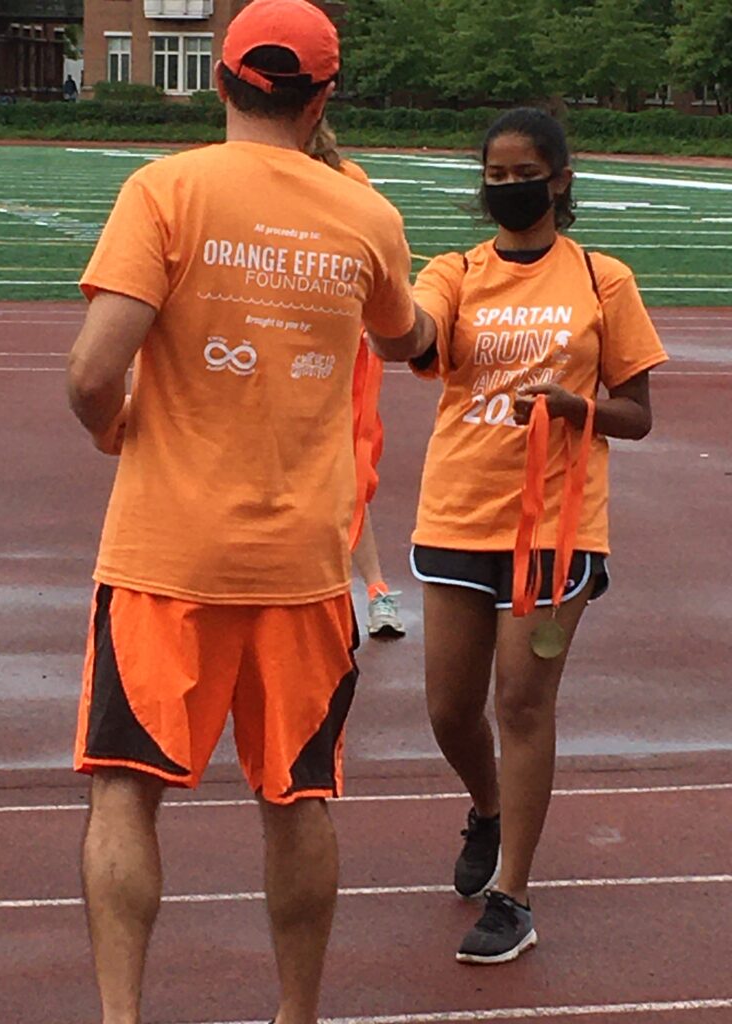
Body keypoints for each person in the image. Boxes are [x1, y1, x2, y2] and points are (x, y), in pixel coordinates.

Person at [66, 2, 426, 1021]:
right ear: (322, 98)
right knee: (299, 797)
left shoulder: (164, 190)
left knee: (125, 789)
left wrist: (117, 430)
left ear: (222, 81)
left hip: (162, 554)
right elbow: (403, 336)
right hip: (305, 565)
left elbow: (95, 373)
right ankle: (295, 1015)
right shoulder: (365, 214)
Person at [372, 107, 668, 964]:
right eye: (494, 177)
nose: (509, 189)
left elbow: (639, 416)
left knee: (522, 701)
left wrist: (581, 409)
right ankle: (490, 810)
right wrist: (391, 306)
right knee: (449, 709)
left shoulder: (602, 278)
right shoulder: (454, 270)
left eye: (523, 174)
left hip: (557, 522)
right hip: (459, 510)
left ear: (561, 178)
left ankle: (513, 895)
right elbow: (413, 335)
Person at [307, 119, 405, 639]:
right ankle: (331, 594)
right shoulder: (255, 179)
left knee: (347, 475)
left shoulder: (351, 183)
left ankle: (374, 588)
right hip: (280, 351)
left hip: (342, 354)